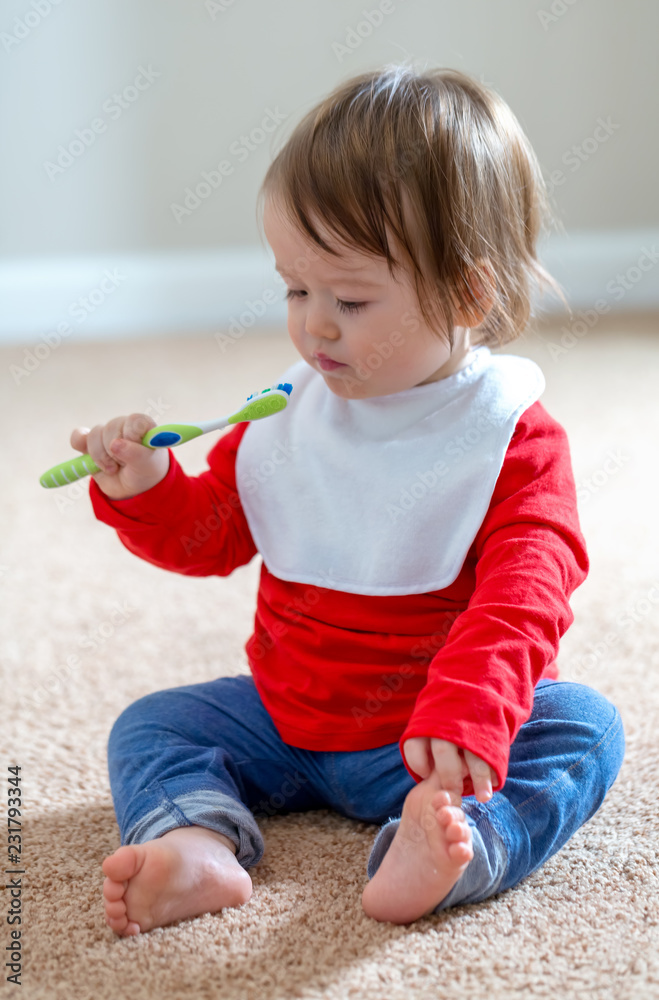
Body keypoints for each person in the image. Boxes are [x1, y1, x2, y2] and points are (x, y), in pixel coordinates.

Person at [71, 64, 625, 936]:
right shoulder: (288, 414)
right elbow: (214, 534)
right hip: (286, 720)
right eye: (296, 289)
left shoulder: (510, 436)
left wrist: (471, 708)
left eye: (351, 299)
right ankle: (198, 843)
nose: (313, 325)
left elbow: (526, 596)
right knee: (154, 725)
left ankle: (461, 845)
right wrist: (147, 487)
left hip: (432, 746)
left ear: (468, 294)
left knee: (585, 729)